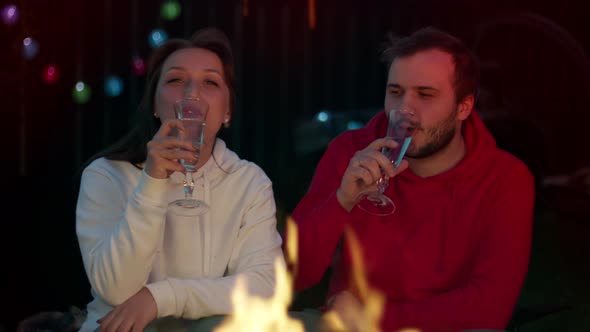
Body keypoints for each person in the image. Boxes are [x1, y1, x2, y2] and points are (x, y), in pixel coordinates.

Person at [291, 27, 535, 332]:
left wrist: (375, 318)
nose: (404, 109)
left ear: (464, 107)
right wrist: (341, 200)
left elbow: (491, 307)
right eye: (395, 92)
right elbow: (293, 275)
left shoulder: (504, 178)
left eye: (425, 94)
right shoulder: (351, 152)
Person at [75, 27, 283, 332]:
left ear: (227, 112)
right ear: (156, 106)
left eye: (210, 82)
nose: (192, 94)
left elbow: (264, 286)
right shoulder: (105, 176)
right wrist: (153, 180)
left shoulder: (248, 181)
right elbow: (115, 290)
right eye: (175, 80)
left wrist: (161, 298)